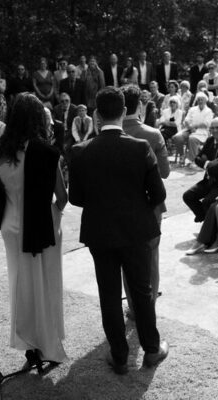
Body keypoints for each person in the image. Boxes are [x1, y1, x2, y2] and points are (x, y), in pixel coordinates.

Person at [68, 87, 168, 374]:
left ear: (97, 115)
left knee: (109, 293)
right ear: (124, 112)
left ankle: (120, 355)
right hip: (136, 231)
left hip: (100, 232)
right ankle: (151, 350)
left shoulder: (80, 151)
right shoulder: (140, 148)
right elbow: (158, 193)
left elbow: (76, 198)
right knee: (142, 290)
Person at [0, 92, 68, 371]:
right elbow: (62, 196)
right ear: (37, 119)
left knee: (21, 284)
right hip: (43, 223)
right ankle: (50, 346)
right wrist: (53, 213)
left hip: (11, 223)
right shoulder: (45, 152)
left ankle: (30, 346)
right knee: (46, 284)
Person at [121, 85, 171, 316]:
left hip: (121, 205)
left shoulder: (109, 133)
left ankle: (132, 307)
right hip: (150, 204)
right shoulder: (153, 134)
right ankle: (149, 305)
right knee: (151, 255)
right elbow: (164, 172)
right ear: (139, 105)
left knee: (126, 258)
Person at [182, 117, 218, 222]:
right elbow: (197, 158)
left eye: (217, 128)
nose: (214, 130)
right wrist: (208, 163)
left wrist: (206, 164)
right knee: (188, 196)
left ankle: (208, 227)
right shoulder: (210, 140)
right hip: (208, 180)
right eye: (212, 128)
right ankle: (203, 217)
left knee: (207, 202)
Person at [172, 92, 214, 164]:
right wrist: (190, 127)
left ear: (205, 100)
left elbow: (206, 123)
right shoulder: (192, 109)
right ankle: (182, 155)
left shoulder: (208, 111)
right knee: (177, 137)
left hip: (202, 132)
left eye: (202, 99)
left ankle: (193, 161)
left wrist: (194, 126)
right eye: (199, 100)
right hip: (189, 129)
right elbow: (186, 120)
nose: (200, 101)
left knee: (192, 139)